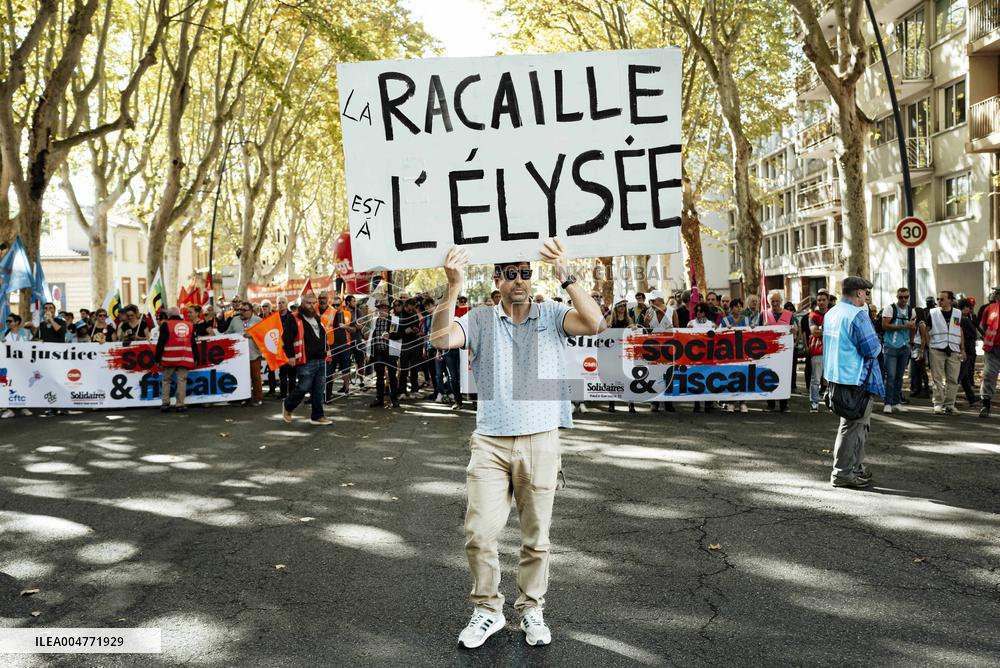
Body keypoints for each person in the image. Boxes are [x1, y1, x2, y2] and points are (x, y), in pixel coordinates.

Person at [430, 239, 605, 650]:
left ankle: (531, 608)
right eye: (511, 273)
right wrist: (452, 286)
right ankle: (488, 610)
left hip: (541, 440)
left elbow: (596, 323)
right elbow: (440, 340)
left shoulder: (554, 314)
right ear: (497, 280)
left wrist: (566, 274)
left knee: (536, 537)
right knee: (479, 534)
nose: (519, 280)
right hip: (490, 443)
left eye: (526, 273)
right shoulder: (478, 319)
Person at [823, 277, 883, 489]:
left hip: (837, 377)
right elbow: (872, 348)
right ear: (858, 293)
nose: (866, 297)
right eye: (865, 293)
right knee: (852, 428)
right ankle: (843, 473)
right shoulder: (857, 315)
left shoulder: (832, 313)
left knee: (855, 426)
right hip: (856, 379)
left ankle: (854, 468)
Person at [281, 293, 332, 425]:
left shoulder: (316, 317)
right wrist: (290, 356)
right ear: (301, 304)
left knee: (319, 390)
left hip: (321, 358)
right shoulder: (294, 318)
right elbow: (287, 338)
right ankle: (288, 405)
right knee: (303, 387)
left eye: (313, 303)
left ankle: (317, 416)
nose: (311, 306)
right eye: (308, 303)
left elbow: (322, 336)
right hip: (306, 359)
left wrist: (327, 353)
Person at [923, 290, 966, 415]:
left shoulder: (957, 313)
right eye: (938, 299)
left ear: (950, 300)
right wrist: (929, 343)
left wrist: (962, 349)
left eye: (942, 299)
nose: (939, 301)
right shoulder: (933, 312)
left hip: (953, 349)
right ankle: (938, 404)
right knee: (937, 378)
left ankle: (949, 405)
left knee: (953, 379)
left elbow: (959, 331)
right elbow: (926, 329)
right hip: (937, 349)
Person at [154, 306, 199, 413]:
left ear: (169, 315)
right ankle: (180, 404)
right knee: (182, 381)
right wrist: (196, 357)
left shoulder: (166, 325)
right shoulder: (189, 325)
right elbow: (193, 343)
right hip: (184, 357)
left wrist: (157, 358)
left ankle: (165, 403)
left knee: (166, 381)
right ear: (179, 314)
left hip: (169, 358)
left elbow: (161, 343)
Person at [879, 287, 915, 413]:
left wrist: (911, 343)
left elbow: (913, 328)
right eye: (901, 297)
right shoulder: (890, 309)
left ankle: (896, 402)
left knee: (899, 376)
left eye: (906, 297)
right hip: (891, 347)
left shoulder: (911, 311)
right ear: (897, 297)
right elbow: (885, 325)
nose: (904, 299)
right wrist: (904, 326)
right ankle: (887, 403)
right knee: (891, 376)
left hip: (905, 347)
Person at [763, 290, 795, 413]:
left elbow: (794, 329)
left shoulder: (789, 315)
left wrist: (794, 331)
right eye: (772, 301)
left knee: (784, 377)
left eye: (777, 301)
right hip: (768, 352)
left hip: (784, 352)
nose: (775, 303)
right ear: (768, 302)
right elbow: (755, 328)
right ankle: (770, 404)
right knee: (768, 377)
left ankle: (784, 404)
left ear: (781, 301)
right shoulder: (764, 315)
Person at [226, 302, 264, 406]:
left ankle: (257, 398)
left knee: (255, 377)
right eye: (240, 310)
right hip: (238, 356)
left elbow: (265, 336)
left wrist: (252, 336)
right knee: (242, 377)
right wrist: (235, 336)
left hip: (254, 354)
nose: (241, 312)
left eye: (244, 310)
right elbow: (227, 333)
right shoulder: (235, 320)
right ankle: (243, 397)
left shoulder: (258, 321)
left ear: (251, 311)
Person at [719, 299, 752, 413]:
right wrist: (724, 330)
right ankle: (731, 402)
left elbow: (752, 334)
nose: (738, 309)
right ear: (732, 308)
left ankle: (743, 402)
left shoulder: (747, 320)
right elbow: (719, 335)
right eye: (736, 306)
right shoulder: (725, 320)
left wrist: (754, 328)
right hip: (729, 354)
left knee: (743, 377)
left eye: (740, 306)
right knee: (731, 376)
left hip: (743, 353)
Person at [366, 298, 400, 408]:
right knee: (379, 377)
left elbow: (398, 335)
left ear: (388, 310)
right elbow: (371, 336)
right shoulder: (375, 320)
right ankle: (379, 398)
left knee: (392, 376)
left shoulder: (394, 320)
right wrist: (369, 353)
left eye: (384, 308)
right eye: (380, 309)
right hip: (378, 352)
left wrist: (390, 336)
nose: (382, 311)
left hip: (390, 352)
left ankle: (394, 398)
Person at [605, 299, 636, 413]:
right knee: (613, 378)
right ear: (616, 307)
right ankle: (611, 403)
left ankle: (631, 404)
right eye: (620, 306)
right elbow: (603, 333)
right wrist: (607, 327)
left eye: (624, 305)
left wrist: (634, 328)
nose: (622, 307)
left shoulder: (629, 319)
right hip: (613, 352)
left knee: (627, 378)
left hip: (625, 353)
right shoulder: (609, 319)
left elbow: (634, 330)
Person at [687, 302, 716, 413]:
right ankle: (697, 404)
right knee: (696, 379)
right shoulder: (691, 323)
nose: (698, 313)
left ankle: (708, 404)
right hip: (695, 356)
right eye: (697, 311)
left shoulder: (711, 324)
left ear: (705, 312)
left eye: (701, 311)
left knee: (708, 379)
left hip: (707, 355)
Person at [978, 285, 1000, 418]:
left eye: (997, 292)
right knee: (989, 376)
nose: (996, 294)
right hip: (992, 350)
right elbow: (982, 326)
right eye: (996, 293)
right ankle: (985, 405)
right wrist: (985, 337)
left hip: (993, 348)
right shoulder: (989, 308)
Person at [809, 291, 830, 413]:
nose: (821, 302)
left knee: (831, 379)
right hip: (817, 350)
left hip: (832, 351)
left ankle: (831, 402)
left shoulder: (833, 314)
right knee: (816, 379)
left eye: (823, 300)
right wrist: (829, 331)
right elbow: (814, 332)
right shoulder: (813, 316)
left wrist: (821, 329)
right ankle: (814, 403)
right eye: (819, 300)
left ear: (828, 301)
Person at [958, 298, 980, 409]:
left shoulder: (957, 318)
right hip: (967, 350)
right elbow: (973, 333)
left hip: (963, 349)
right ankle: (948, 398)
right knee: (960, 375)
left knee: (964, 376)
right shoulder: (965, 320)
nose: (970, 310)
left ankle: (971, 398)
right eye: (968, 308)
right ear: (965, 308)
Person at [276, 297, 297, 399]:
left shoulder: (292, 317)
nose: (281, 304)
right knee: (282, 373)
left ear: (286, 303)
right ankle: (283, 393)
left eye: (283, 302)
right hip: (280, 350)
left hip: (291, 349)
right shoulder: (274, 318)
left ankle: (292, 393)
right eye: (279, 303)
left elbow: (295, 333)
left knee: (292, 374)